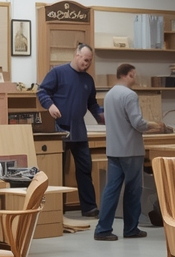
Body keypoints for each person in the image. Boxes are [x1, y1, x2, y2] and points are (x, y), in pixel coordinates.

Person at [94, 63, 165, 242]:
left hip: (114, 149)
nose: (135, 78)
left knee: (111, 190)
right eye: (134, 75)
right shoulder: (130, 95)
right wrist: (155, 125)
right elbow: (137, 123)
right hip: (131, 150)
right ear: (130, 75)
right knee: (133, 191)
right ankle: (131, 228)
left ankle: (103, 229)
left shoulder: (109, 94)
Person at [37, 43, 103, 217]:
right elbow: (42, 91)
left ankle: (89, 207)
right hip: (59, 129)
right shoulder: (58, 72)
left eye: (90, 61)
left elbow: (92, 104)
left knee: (85, 168)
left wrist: (101, 116)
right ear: (77, 55)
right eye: (85, 60)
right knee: (57, 169)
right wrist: (50, 105)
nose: (87, 64)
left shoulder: (88, 80)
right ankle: (56, 208)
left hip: (79, 130)